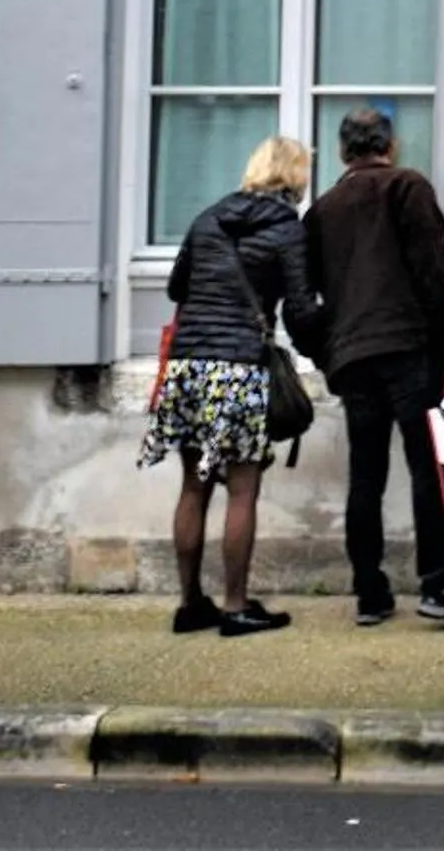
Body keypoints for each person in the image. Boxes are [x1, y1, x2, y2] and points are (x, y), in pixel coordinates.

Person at [302, 106, 444, 629]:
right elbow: (434, 275)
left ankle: (369, 592)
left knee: (366, 476)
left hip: (354, 357)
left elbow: (304, 300)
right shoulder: (408, 187)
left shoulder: (322, 209)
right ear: (391, 145)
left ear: (343, 152)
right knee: (428, 471)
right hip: (411, 349)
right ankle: (439, 584)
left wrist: (327, 353)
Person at [138, 136, 326, 638]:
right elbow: (302, 309)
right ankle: (237, 606)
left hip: (187, 366)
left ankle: (189, 604)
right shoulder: (287, 228)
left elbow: (178, 287)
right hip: (239, 365)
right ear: (295, 177)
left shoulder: (208, 218)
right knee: (243, 489)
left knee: (194, 485)